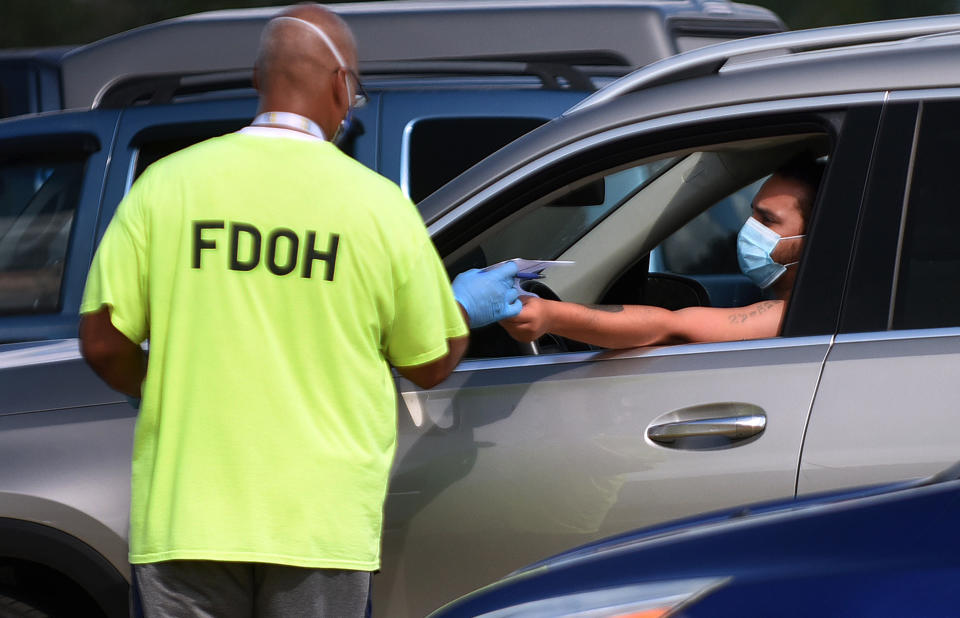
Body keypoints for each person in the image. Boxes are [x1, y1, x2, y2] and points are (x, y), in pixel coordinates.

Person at [77, 5, 519, 617]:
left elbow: (103, 342)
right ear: (342, 85)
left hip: (186, 514)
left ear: (259, 81)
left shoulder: (166, 185)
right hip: (318, 522)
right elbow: (430, 362)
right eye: (355, 93)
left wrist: (158, 388)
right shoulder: (377, 206)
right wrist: (461, 308)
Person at [501, 159, 823, 349]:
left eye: (767, 220)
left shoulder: (790, 316)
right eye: (753, 213)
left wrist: (549, 315)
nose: (748, 228)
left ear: (816, 238)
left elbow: (670, 326)